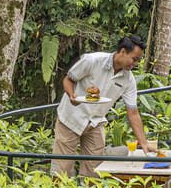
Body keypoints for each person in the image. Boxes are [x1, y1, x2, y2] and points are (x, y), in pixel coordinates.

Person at [54, 36, 152, 177]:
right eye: (134, 59)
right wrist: (71, 95)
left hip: (96, 122)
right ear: (123, 51)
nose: (135, 64)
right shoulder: (92, 61)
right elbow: (69, 79)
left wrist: (143, 143)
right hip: (71, 118)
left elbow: (133, 113)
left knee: (94, 171)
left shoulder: (129, 80)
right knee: (62, 169)